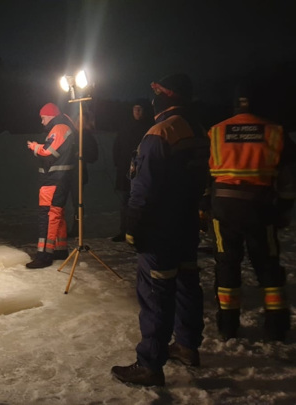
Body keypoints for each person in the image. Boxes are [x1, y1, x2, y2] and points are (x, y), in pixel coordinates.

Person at [111, 74, 209, 387]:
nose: (152, 99)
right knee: (186, 283)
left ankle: (150, 365)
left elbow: (144, 183)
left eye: (156, 93)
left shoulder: (161, 131)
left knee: (156, 292)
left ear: (167, 97)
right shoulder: (198, 128)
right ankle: (187, 345)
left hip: (160, 226)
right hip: (186, 222)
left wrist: (133, 223)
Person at [206, 87, 296, 342]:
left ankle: (227, 325)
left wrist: (204, 205)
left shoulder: (216, 131)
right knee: (268, 265)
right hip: (261, 208)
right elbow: (290, 176)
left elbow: (204, 172)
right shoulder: (275, 131)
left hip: (223, 208)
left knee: (227, 264)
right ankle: (276, 325)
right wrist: (284, 208)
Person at [25, 102, 77, 269]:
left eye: (43, 118)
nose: (41, 122)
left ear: (50, 116)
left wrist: (34, 147)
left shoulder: (59, 128)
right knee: (57, 214)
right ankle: (60, 249)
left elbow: (47, 151)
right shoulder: (65, 126)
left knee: (47, 216)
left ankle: (44, 255)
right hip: (60, 179)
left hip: (53, 180)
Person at [111, 99, 153, 242]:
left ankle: (140, 230)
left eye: (140, 109)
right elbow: (117, 147)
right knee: (125, 202)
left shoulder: (149, 128)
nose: (137, 112)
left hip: (143, 172)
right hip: (125, 171)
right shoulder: (126, 127)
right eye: (135, 109)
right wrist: (118, 164)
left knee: (141, 201)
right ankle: (124, 231)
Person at [68, 107, 99, 238]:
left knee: (77, 203)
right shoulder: (70, 134)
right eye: (78, 120)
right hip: (66, 173)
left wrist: (81, 154)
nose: (79, 123)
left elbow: (94, 156)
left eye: (82, 121)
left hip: (78, 174)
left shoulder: (87, 137)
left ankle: (77, 229)